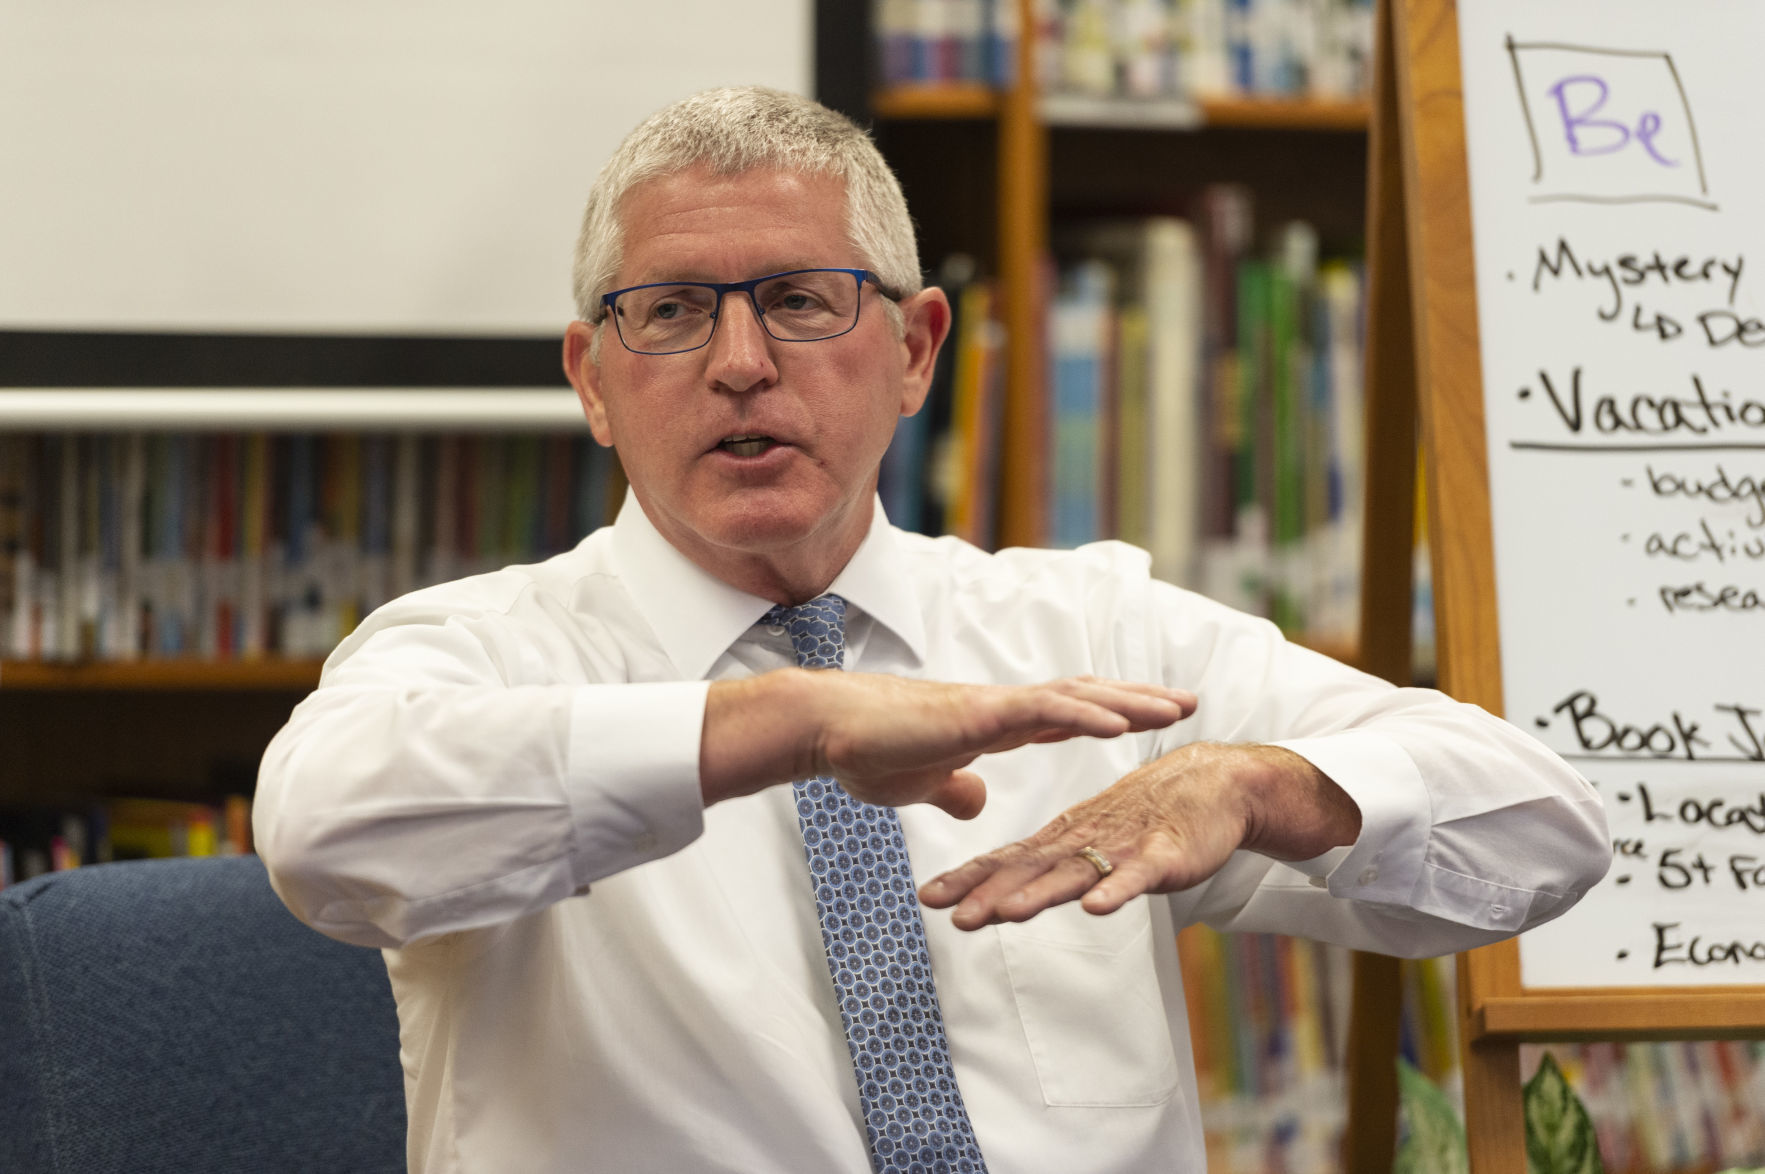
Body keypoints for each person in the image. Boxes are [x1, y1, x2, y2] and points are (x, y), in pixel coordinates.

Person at [255, 86, 1610, 1174]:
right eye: (670, 313)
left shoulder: (1083, 629)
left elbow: (1546, 829)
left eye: (800, 300)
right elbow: (320, 832)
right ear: (592, 380)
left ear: (914, 349)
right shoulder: (486, 651)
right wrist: (784, 721)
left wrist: (1256, 785)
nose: (740, 363)